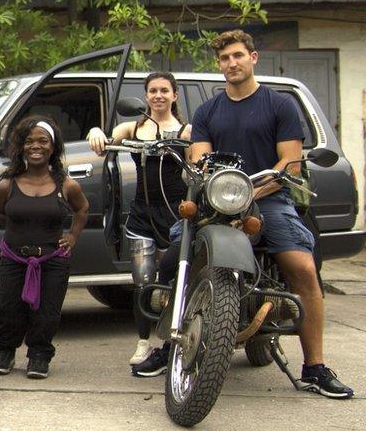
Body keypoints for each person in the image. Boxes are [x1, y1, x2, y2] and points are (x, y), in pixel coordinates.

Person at [140, 29, 353, 399]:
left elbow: (290, 164)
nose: (231, 63)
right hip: (217, 200)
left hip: (267, 196)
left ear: (253, 58)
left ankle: (315, 366)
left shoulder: (279, 105)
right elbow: (201, 161)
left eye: (238, 55)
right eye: (224, 58)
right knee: (175, 257)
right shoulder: (208, 111)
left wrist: (250, 191)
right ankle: (169, 343)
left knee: (302, 267)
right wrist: (215, 186)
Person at [86, 72, 192, 371]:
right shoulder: (134, 126)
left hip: (175, 213)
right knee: (143, 282)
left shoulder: (186, 131)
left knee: (174, 278)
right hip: (141, 214)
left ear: (174, 95)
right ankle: (144, 343)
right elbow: (107, 138)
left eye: (164, 90)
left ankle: (175, 340)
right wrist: (96, 131)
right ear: (145, 96)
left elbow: (200, 159)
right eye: (153, 91)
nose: (158, 96)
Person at [0, 116, 88, 378]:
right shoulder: (6, 185)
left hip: (52, 261)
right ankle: (4, 352)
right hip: (14, 259)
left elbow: (82, 210)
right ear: (21, 146)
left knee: (47, 314)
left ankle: (39, 356)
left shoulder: (66, 185)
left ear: (53, 147)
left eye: (43, 141)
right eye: (29, 141)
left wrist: (73, 237)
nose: (36, 146)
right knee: (9, 309)